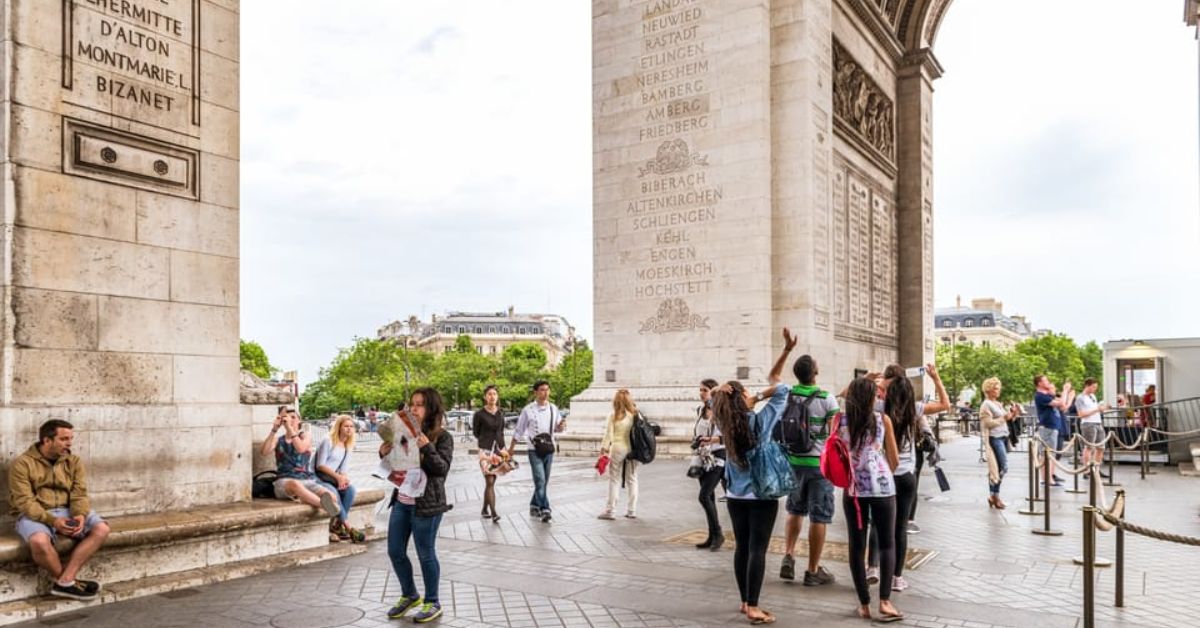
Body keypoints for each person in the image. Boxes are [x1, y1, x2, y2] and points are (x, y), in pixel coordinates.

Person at [710, 327, 797, 625]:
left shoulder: (724, 423)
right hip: (761, 495)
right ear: (744, 398)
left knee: (743, 548)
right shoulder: (760, 420)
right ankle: (756, 607)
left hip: (735, 495)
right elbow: (783, 389)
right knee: (758, 550)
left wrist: (724, 392)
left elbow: (713, 401)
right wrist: (757, 396)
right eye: (746, 392)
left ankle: (745, 601)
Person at [8, 420, 111, 600]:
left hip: (68, 510)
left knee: (102, 529)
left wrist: (79, 515)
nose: (69, 443)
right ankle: (67, 583)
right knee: (39, 542)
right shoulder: (22, 464)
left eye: (70, 438)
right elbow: (25, 501)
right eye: (63, 439)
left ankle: (65, 580)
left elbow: (79, 494)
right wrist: (53, 521)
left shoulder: (73, 461)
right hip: (36, 513)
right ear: (47, 440)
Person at [383, 388, 454, 623]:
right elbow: (397, 464)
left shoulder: (442, 437)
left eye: (420, 404)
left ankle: (432, 602)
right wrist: (384, 453)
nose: (414, 409)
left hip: (426, 504)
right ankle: (409, 594)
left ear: (431, 408)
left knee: (425, 554)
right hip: (402, 500)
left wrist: (426, 447)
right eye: (412, 404)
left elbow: (442, 469)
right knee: (395, 551)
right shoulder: (403, 433)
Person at [839, 377, 903, 622]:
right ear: (871, 398)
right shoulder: (882, 420)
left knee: (857, 546)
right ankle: (885, 602)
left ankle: (864, 604)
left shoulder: (839, 421)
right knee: (887, 543)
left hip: (853, 489)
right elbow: (894, 459)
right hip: (883, 487)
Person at [777, 355, 838, 587]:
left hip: (794, 462)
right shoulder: (827, 399)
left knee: (794, 509)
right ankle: (812, 570)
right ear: (816, 371)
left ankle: (789, 555)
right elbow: (834, 435)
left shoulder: (788, 395)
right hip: (819, 466)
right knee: (819, 516)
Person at [260, 409, 342, 520]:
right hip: (284, 481)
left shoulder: (305, 436)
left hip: (306, 479)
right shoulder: (277, 439)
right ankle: (328, 508)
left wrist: (290, 428)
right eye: (287, 418)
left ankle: (307, 500)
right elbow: (264, 452)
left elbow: (301, 448)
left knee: (331, 496)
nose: (290, 420)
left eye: (293, 417)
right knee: (295, 484)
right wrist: (274, 429)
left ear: (300, 420)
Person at [508, 380, 565, 523]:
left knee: (544, 481)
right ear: (535, 392)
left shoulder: (553, 408)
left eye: (547, 390)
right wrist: (511, 448)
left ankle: (534, 504)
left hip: (549, 449)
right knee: (540, 479)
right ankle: (545, 509)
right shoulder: (528, 410)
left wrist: (562, 425)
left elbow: (559, 428)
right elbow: (519, 430)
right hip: (534, 450)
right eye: (541, 390)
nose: (544, 393)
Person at [313, 414, 366, 542]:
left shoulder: (348, 445)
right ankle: (348, 527)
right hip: (318, 478)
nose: (349, 429)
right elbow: (320, 465)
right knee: (334, 494)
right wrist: (338, 477)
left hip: (332, 478)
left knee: (351, 490)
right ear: (339, 427)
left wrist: (344, 479)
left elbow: (343, 470)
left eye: (351, 426)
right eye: (346, 426)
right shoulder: (328, 440)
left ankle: (337, 525)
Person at [693, 378, 726, 551]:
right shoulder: (700, 410)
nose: (701, 393)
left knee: (703, 496)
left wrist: (710, 440)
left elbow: (728, 435)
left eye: (704, 390)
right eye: (700, 390)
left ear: (713, 391)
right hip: (704, 457)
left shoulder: (721, 410)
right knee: (709, 497)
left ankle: (719, 534)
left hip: (719, 455)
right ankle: (712, 535)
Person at [978, 378, 1021, 509]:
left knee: (996, 469)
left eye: (999, 388)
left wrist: (1013, 414)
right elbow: (988, 423)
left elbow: (1005, 419)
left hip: (1003, 437)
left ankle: (993, 495)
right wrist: (1004, 418)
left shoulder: (997, 403)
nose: (998, 390)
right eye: (996, 388)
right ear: (989, 390)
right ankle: (994, 496)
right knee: (1002, 468)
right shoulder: (986, 405)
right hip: (994, 438)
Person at [598, 389, 641, 520]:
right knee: (632, 479)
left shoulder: (613, 415)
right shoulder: (635, 415)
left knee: (614, 480)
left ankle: (610, 511)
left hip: (617, 448)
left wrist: (604, 448)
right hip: (633, 450)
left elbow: (608, 435)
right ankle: (632, 510)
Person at [473, 384, 506, 523]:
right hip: (485, 450)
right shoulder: (479, 414)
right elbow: (476, 432)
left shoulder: (500, 413)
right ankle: (493, 512)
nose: (492, 396)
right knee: (490, 480)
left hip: (499, 451)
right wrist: (484, 442)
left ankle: (484, 509)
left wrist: (504, 449)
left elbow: (501, 431)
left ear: (497, 397)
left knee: (491, 482)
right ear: (485, 397)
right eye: (489, 394)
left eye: (494, 394)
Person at [1033, 375, 1073, 487]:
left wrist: (1066, 394)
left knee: (1050, 453)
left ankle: (1049, 477)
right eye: (1045, 380)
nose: (1048, 382)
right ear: (1039, 383)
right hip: (1047, 427)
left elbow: (1062, 404)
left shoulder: (1047, 396)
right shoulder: (1040, 396)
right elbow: (1060, 403)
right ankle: (1047, 479)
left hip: (1052, 427)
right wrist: (1065, 390)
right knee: (1047, 454)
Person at [1074, 378, 1109, 478]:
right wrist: (1096, 410)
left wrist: (1101, 409)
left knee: (1101, 447)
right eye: (1093, 387)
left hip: (1098, 422)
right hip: (1088, 423)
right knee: (1089, 447)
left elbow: (1095, 408)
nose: (1095, 389)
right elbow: (1081, 414)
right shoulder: (1080, 398)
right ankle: (1086, 469)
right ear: (1087, 386)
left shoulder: (1093, 396)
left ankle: (1096, 468)